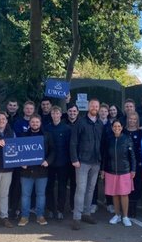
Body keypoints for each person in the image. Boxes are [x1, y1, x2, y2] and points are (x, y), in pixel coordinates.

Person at [70, 98, 105, 231]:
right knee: (81, 189)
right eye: (92, 105)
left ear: (99, 107)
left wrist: (102, 163)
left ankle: (86, 213)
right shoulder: (80, 122)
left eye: (96, 106)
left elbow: (102, 144)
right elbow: (73, 142)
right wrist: (74, 159)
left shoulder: (100, 124)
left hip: (96, 162)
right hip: (82, 161)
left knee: (91, 189)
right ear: (88, 107)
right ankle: (76, 217)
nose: (94, 108)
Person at [19, 114, 54, 227]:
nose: (34, 124)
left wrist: (48, 161)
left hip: (42, 170)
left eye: (37, 122)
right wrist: (21, 162)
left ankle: (40, 215)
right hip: (26, 171)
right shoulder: (23, 135)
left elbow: (53, 151)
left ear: (40, 123)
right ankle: (24, 216)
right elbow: (19, 152)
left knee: (41, 195)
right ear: (29, 123)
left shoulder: (47, 135)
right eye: (32, 122)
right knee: (25, 195)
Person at [100, 118, 136, 227]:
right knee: (114, 194)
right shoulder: (109, 140)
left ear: (122, 127)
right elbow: (105, 156)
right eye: (115, 126)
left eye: (119, 126)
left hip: (124, 171)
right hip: (111, 171)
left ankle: (125, 216)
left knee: (124, 194)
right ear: (112, 128)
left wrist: (133, 169)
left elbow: (132, 156)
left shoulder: (127, 139)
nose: (117, 128)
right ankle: (117, 215)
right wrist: (103, 170)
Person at [46, 105, 72, 219]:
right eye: (53, 113)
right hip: (50, 163)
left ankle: (60, 209)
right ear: (51, 115)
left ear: (61, 115)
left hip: (63, 163)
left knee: (62, 187)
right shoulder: (46, 127)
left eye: (57, 113)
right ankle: (51, 209)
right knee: (49, 186)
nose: (55, 115)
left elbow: (69, 146)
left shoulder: (67, 128)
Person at [125, 111, 142, 217]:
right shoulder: (123, 131)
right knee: (126, 186)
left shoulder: (141, 133)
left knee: (137, 185)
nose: (132, 121)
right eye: (130, 118)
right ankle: (125, 207)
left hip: (138, 163)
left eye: (134, 119)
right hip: (124, 164)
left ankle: (133, 207)